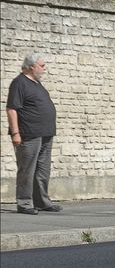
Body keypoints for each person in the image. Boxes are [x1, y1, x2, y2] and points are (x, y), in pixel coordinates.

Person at [6, 53, 63, 215]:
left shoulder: (37, 83)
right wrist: (15, 133)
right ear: (32, 67)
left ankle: (42, 202)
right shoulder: (19, 83)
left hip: (46, 134)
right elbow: (12, 109)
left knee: (42, 170)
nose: (44, 69)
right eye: (42, 66)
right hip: (28, 134)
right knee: (27, 170)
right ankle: (24, 203)